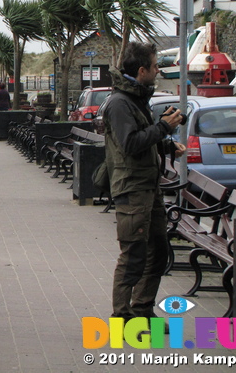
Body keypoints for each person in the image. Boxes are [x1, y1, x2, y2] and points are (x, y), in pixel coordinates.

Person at [102, 42, 186, 327]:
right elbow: (129, 144)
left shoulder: (136, 97)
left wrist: (167, 144)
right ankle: (122, 318)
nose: (158, 70)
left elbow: (142, 137)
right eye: (154, 66)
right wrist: (163, 127)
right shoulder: (119, 102)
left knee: (158, 252)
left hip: (149, 188)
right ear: (142, 71)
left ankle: (142, 311)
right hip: (132, 189)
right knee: (134, 255)